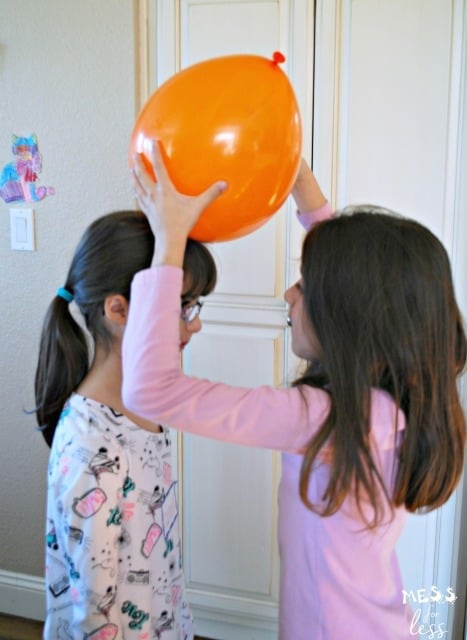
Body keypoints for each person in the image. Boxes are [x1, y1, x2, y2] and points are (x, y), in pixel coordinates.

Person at [122, 141, 467, 640]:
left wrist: (168, 243)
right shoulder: (399, 395)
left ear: (346, 318)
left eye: (304, 284)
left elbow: (151, 390)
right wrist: (300, 184)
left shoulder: (324, 417)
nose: (289, 293)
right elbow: (364, 282)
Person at [34, 209, 218, 639]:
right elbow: (94, 614)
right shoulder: (91, 449)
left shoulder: (144, 408)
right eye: (183, 307)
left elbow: (157, 559)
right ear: (118, 310)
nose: (197, 323)